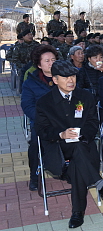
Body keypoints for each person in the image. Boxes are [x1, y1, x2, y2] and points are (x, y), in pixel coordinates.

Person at [35, 60, 103, 228]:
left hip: (84, 146)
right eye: (65, 77)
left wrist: (83, 135)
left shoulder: (85, 96)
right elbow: (41, 131)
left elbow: (92, 123)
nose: (71, 81)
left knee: (77, 162)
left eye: (73, 76)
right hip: (58, 148)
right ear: (55, 79)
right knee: (78, 153)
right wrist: (61, 134)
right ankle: (100, 184)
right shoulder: (44, 102)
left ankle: (77, 213)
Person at [21, 45, 59, 191]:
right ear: (39, 64)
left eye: (53, 60)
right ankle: (34, 176)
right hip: (42, 123)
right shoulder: (31, 82)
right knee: (36, 144)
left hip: (64, 120)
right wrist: (43, 119)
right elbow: (27, 105)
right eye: (47, 61)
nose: (51, 63)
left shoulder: (65, 78)